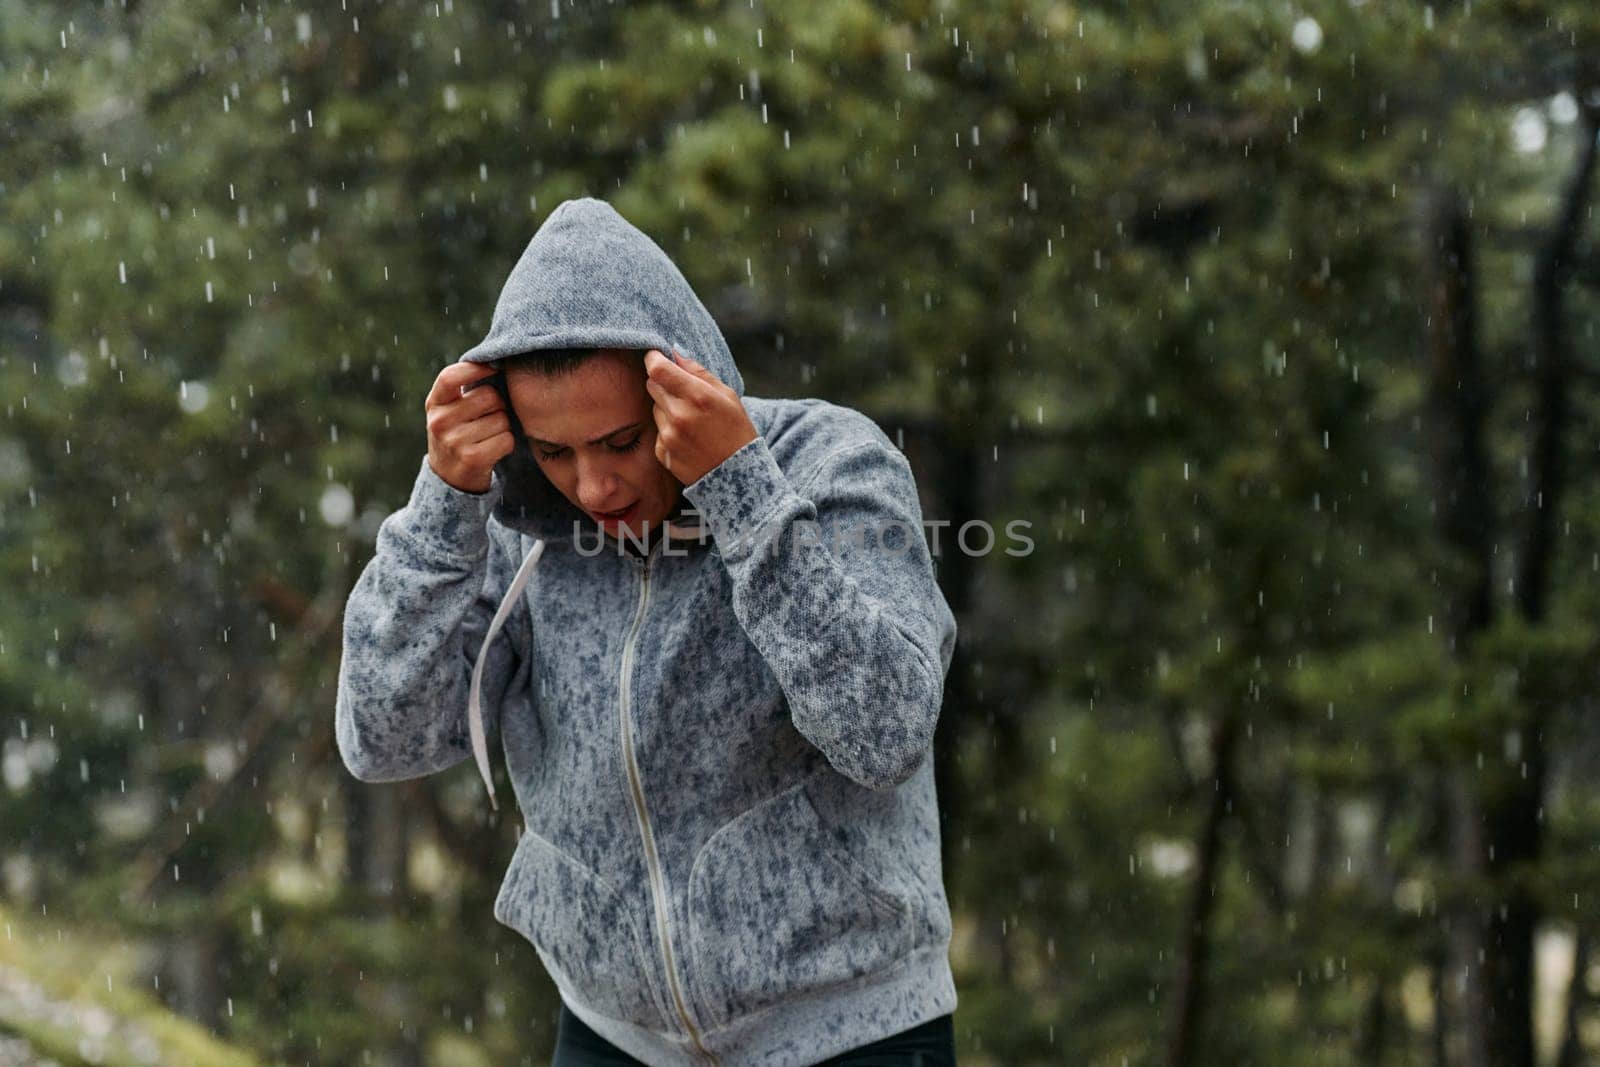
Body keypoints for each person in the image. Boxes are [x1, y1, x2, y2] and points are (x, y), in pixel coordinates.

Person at [335, 197, 960, 1066]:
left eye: (620, 441)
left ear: (684, 383)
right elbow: (384, 737)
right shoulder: (516, 517)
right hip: (608, 1038)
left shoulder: (830, 461)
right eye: (554, 451)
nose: (591, 487)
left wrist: (741, 494)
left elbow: (883, 731)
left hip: (853, 1032)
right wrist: (445, 506)